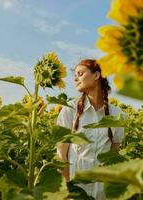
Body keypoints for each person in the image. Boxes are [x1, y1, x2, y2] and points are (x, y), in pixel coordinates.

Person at [56, 59, 125, 199]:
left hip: (102, 194)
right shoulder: (70, 109)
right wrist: (67, 191)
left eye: (80, 73)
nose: (75, 78)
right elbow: (61, 156)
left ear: (96, 75)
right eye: (75, 75)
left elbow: (113, 159)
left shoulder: (118, 115)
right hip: (75, 193)